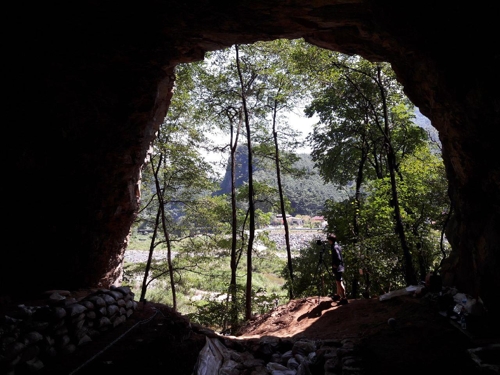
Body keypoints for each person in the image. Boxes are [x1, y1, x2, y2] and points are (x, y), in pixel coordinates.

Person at [327, 234, 348, 305]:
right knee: (337, 281)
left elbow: (338, 257)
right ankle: (338, 295)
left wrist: (335, 264)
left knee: (339, 282)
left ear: (330, 240)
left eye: (328, 240)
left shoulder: (334, 247)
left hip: (338, 267)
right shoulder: (337, 245)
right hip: (340, 266)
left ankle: (344, 298)